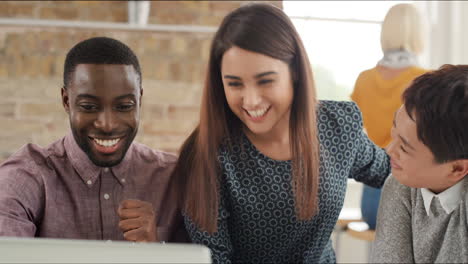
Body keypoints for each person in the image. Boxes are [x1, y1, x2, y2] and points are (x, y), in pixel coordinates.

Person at [170, 3, 390, 263]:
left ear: (294, 71)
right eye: (234, 84)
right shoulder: (206, 153)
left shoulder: (339, 126)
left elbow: (395, 175)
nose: (251, 100)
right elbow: (213, 259)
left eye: (265, 81)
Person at [0, 37, 187, 242]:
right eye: (89, 107)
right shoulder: (27, 176)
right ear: (66, 101)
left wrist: (157, 253)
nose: (107, 125)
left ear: (139, 101)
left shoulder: (175, 179)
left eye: (124, 106)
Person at [371, 65, 468, 263]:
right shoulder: (400, 185)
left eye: (404, 148)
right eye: (394, 130)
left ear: (457, 169)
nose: (389, 150)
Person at [350, 3, 428, 229]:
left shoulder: (363, 80)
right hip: (408, 195)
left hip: (371, 202)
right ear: (417, 34)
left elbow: (359, 133)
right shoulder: (426, 82)